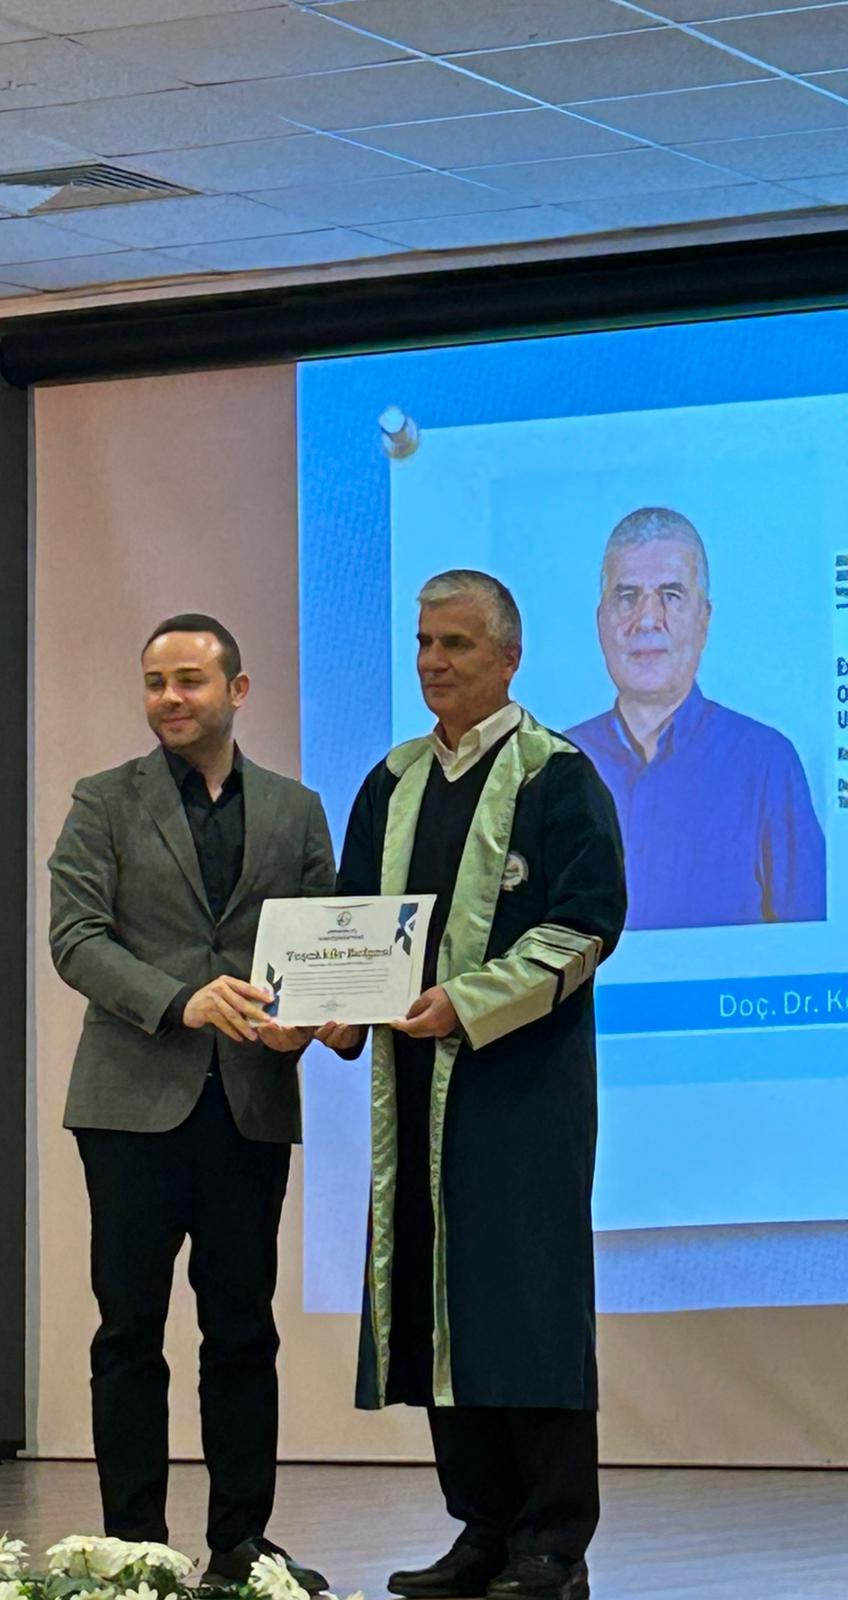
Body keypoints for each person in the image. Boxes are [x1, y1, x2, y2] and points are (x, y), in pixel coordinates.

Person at [318, 571, 626, 1600]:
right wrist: (338, 1008)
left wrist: (468, 1001)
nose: (433, 662)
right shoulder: (392, 780)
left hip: (521, 1088)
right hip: (417, 1090)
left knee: (526, 1302)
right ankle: (483, 1530)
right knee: (439, 1303)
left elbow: (587, 926)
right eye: (423, 642)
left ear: (509, 657)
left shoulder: (558, 777)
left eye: (455, 643)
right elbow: (356, 928)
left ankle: (553, 1544)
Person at [49, 613, 334, 1591]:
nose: (169, 699)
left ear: (237, 691)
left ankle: (241, 1543)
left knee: (243, 1330)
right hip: (129, 1107)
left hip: (250, 1103)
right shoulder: (103, 800)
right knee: (129, 1331)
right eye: (155, 683)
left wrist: (317, 1019)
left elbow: (325, 941)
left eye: (189, 681)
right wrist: (180, 1001)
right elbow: (76, 938)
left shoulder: (295, 811)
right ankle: (134, 1546)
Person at [566, 507, 825, 930]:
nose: (647, 620)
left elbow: (811, 942)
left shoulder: (767, 762)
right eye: (627, 596)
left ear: (703, 620)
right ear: (601, 622)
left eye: (671, 595)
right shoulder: (554, 760)